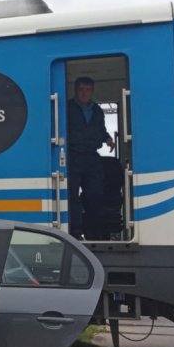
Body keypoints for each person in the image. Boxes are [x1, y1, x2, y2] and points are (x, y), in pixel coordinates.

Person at [67, 76, 115, 240]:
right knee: (71, 196)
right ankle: (75, 233)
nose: (84, 93)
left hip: (92, 157)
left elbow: (101, 130)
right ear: (76, 90)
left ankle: (94, 233)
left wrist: (108, 139)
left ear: (92, 91)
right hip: (73, 156)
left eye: (88, 90)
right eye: (81, 89)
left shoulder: (97, 111)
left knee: (95, 196)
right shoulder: (67, 108)